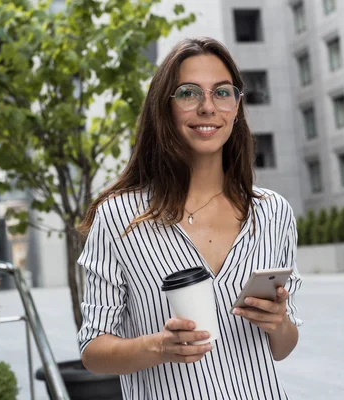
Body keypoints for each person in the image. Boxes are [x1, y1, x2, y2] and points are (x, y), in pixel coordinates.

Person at [77, 37, 302, 399]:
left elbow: (282, 347)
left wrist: (279, 322)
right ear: (164, 108)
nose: (208, 107)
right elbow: (92, 351)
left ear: (237, 107)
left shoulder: (273, 213)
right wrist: (160, 347)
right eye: (188, 93)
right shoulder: (119, 217)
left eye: (222, 93)